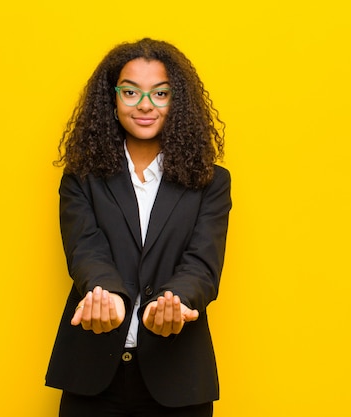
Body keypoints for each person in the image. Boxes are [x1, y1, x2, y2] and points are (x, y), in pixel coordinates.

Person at [45, 38, 232, 417]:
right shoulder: (81, 179)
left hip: (179, 381)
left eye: (159, 93)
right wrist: (108, 295)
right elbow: (86, 250)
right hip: (92, 377)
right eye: (130, 92)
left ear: (175, 102)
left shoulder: (211, 182)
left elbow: (202, 265)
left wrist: (173, 303)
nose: (144, 104)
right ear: (112, 101)